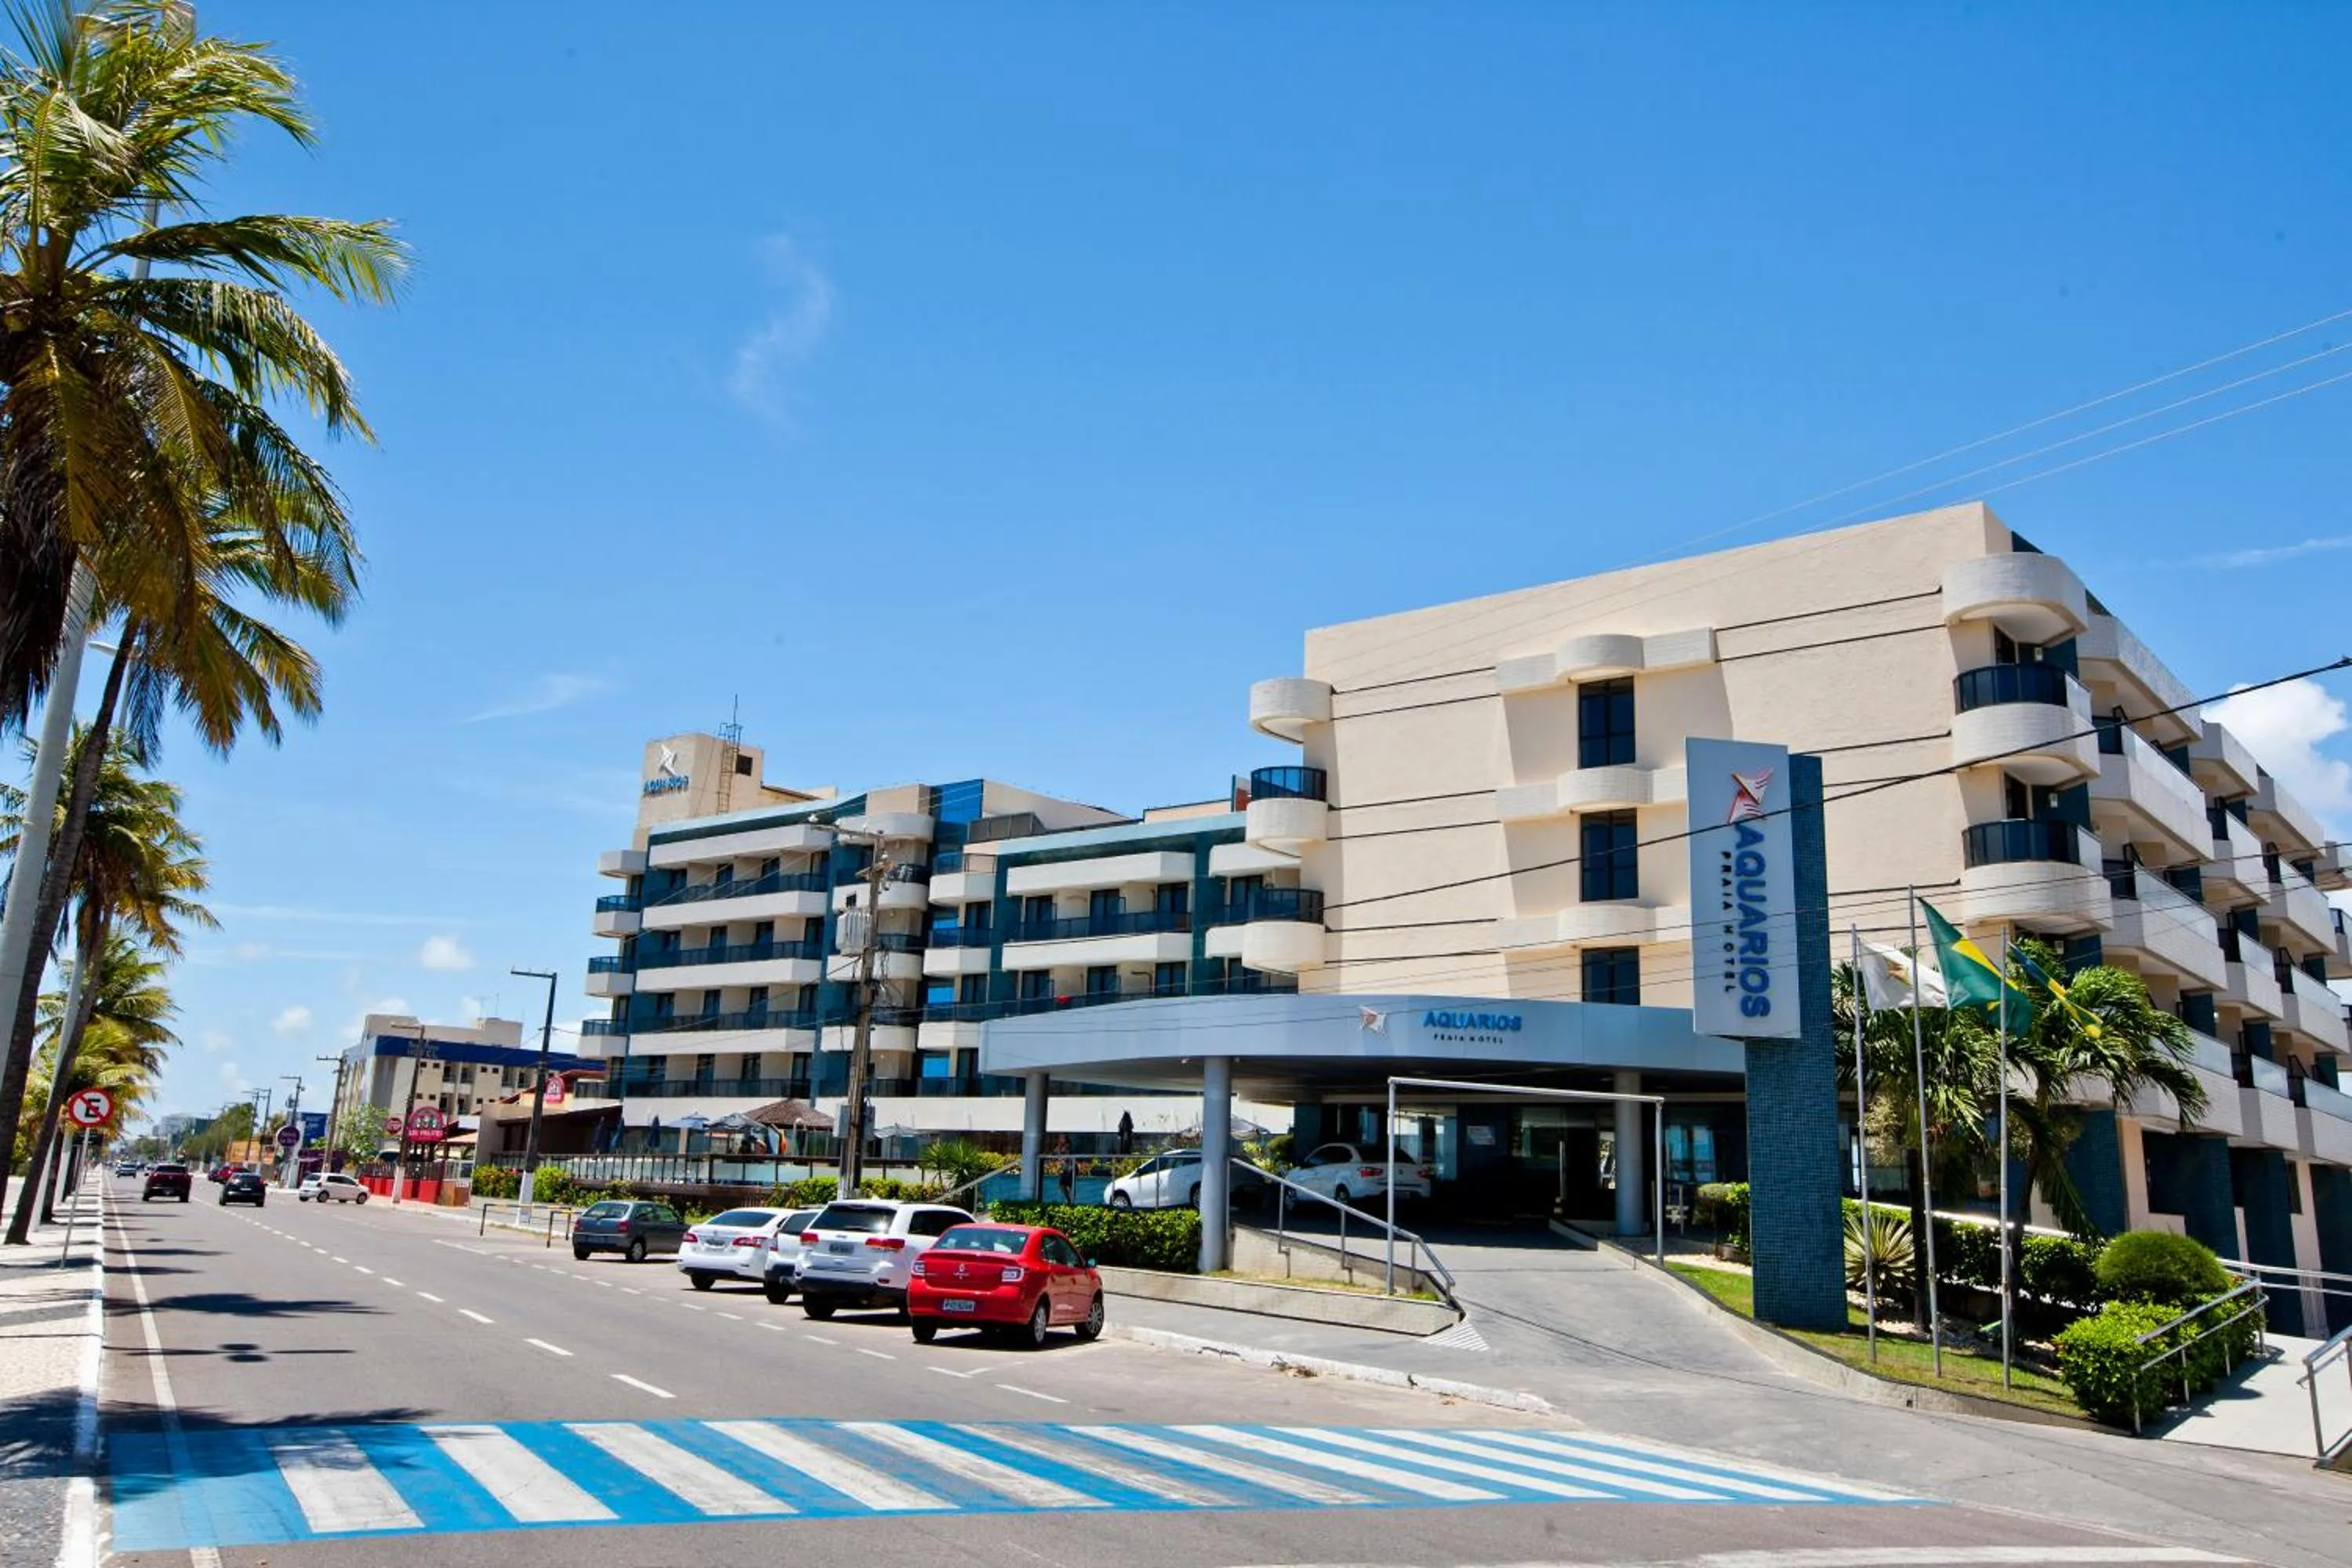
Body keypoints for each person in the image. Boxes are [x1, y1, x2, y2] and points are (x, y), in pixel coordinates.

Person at [1053, 1134, 1074, 1204]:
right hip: (1064, 1170)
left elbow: (1066, 1156)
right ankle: (1068, 1200)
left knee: (1070, 1185)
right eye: (1061, 1138)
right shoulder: (1059, 1147)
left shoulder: (1068, 1147)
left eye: (1064, 1138)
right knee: (1062, 1185)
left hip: (1070, 1169)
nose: (1062, 1140)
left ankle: (1070, 1201)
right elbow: (1055, 1153)